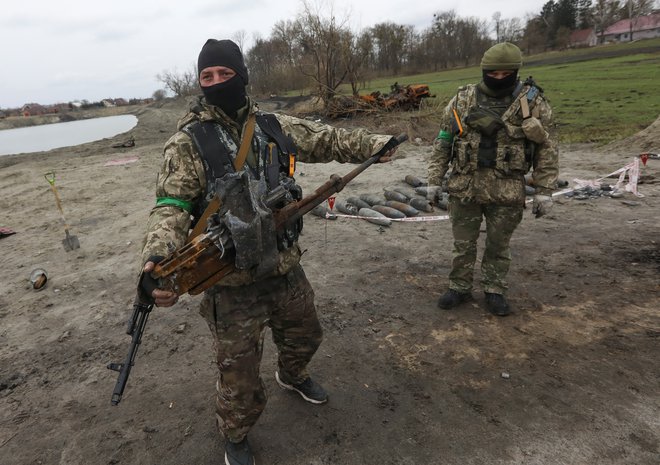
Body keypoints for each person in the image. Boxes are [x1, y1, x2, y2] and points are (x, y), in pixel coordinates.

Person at [139, 39, 398, 465]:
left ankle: (292, 375)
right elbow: (171, 207)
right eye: (208, 76)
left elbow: (327, 139)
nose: (217, 82)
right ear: (199, 82)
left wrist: (376, 144)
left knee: (307, 334)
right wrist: (156, 259)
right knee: (239, 379)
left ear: (242, 75)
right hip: (231, 281)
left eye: (225, 73)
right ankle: (236, 435)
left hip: (282, 266)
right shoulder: (186, 143)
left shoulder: (272, 126)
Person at [428, 42, 558, 317]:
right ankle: (459, 286)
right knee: (463, 244)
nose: (499, 78)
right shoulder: (462, 100)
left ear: (515, 72)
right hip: (465, 187)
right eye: (493, 73)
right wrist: (433, 179)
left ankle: (494, 289)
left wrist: (545, 189)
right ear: (484, 71)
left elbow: (547, 148)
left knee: (499, 245)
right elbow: (443, 142)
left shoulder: (532, 103)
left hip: (507, 190)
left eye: (505, 74)